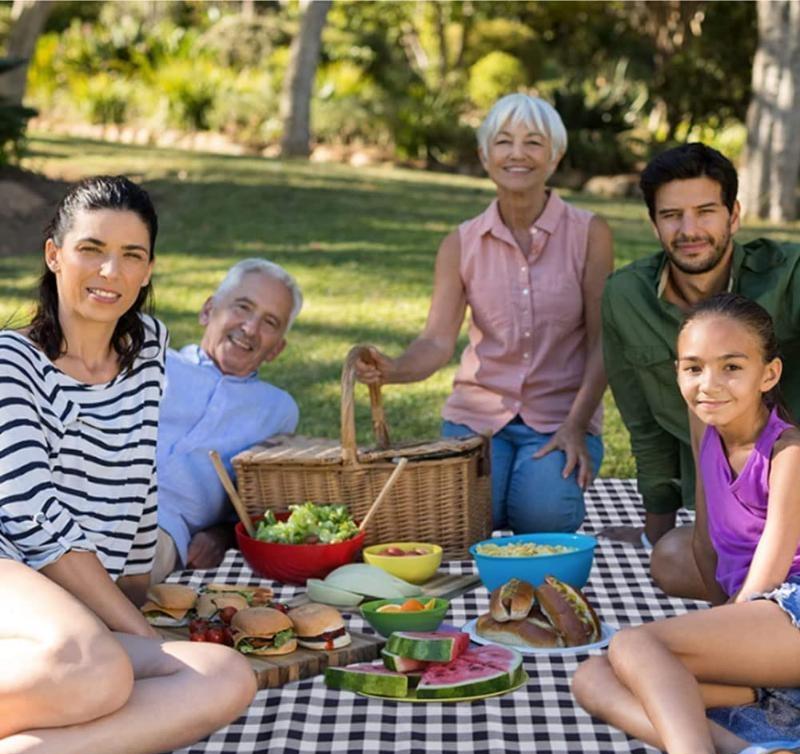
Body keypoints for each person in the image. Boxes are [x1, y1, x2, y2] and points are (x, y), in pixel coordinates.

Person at [0, 176, 256, 754]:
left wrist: (137, 591)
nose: (110, 271)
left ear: (148, 271)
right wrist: (135, 628)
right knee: (99, 669)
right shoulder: (12, 361)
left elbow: (138, 481)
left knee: (223, 675)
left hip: (76, 614)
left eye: (131, 255)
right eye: (91, 248)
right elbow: (34, 516)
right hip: (11, 571)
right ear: (53, 253)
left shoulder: (148, 353)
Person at [572, 295, 800, 754]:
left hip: (789, 611)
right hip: (764, 635)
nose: (709, 384)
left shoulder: (790, 454)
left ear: (769, 374)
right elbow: (709, 535)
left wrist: (721, 642)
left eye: (732, 367)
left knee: (634, 645)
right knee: (595, 677)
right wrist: (715, 638)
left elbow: (767, 576)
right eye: (693, 367)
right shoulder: (706, 427)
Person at [355, 93, 613, 534]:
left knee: (543, 518)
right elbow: (437, 341)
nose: (517, 154)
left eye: (533, 142)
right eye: (503, 142)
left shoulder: (591, 234)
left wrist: (576, 425)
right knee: (465, 521)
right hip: (476, 419)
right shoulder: (460, 243)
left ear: (555, 155)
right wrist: (393, 370)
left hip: (559, 419)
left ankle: (536, 488)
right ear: (484, 155)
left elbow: (602, 342)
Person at [600, 143, 800, 599]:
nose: (689, 230)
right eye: (672, 215)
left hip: (789, 473)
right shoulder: (625, 296)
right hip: (730, 504)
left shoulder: (789, 273)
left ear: (734, 216)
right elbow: (643, 425)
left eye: (706, 211)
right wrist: (655, 525)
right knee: (668, 558)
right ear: (654, 224)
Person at [153, 259, 302, 580]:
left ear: (277, 349)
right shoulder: (153, 363)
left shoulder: (277, 410)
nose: (250, 328)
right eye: (242, 307)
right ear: (208, 311)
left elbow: (258, 499)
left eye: (270, 322)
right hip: (90, 496)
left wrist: (222, 535)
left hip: (158, 529)